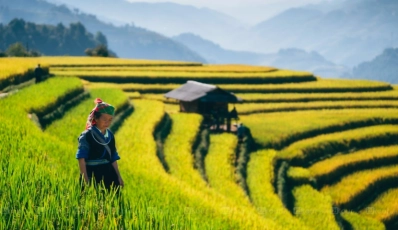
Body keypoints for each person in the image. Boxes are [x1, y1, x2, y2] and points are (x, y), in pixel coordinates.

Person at [76, 98, 124, 190]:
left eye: (110, 120)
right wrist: (85, 178)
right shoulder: (87, 135)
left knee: (111, 201)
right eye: (104, 119)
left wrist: (118, 177)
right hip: (91, 173)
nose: (107, 122)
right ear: (96, 118)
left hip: (108, 173)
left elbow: (113, 157)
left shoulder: (110, 135)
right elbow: (81, 158)